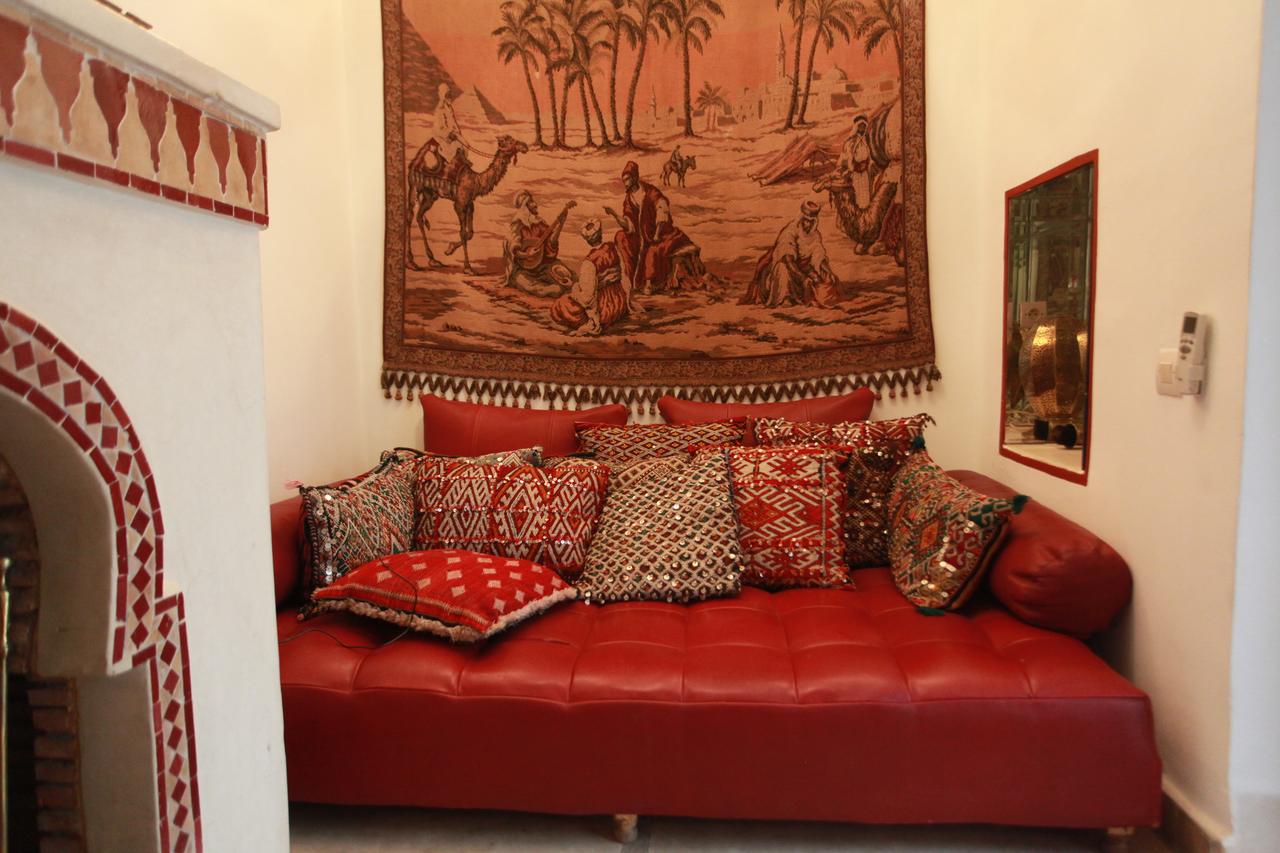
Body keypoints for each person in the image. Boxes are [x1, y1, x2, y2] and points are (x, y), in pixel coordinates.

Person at [604, 161, 698, 297]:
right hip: (642, 235)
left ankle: (650, 283)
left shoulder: (650, 192)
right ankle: (629, 280)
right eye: (624, 180)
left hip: (661, 233)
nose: (626, 183)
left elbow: (662, 208)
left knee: (652, 251)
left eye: (627, 179)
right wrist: (614, 214)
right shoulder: (629, 199)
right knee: (621, 237)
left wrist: (657, 234)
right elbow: (629, 225)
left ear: (634, 177)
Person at [742, 200, 841, 308]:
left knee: (823, 277)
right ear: (801, 218)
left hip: (803, 268)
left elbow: (818, 256)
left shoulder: (815, 235)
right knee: (782, 269)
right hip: (786, 269)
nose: (808, 224)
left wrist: (828, 271)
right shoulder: (789, 231)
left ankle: (812, 297)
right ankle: (785, 297)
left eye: (811, 221)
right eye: (806, 220)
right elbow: (788, 259)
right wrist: (802, 277)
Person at [550, 218, 628, 336]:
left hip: (604, 310)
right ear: (600, 233)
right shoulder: (612, 247)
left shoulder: (590, 262)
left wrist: (573, 288)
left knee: (561, 304)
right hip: (619, 303)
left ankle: (591, 323)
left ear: (587, 240)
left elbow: (587, 299)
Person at [502, 190, 576, 297]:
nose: (535, 204)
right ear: (525, 207)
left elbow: (551, 243)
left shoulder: (540, 223)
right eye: (531, 202)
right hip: (524, 270)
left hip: (543, 265)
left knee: (568, 274)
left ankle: (565, 286)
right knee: (531, 286)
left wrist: (560, 224)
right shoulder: (518, 225)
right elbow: (514, 251)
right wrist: (527, 254)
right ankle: (553, 289)